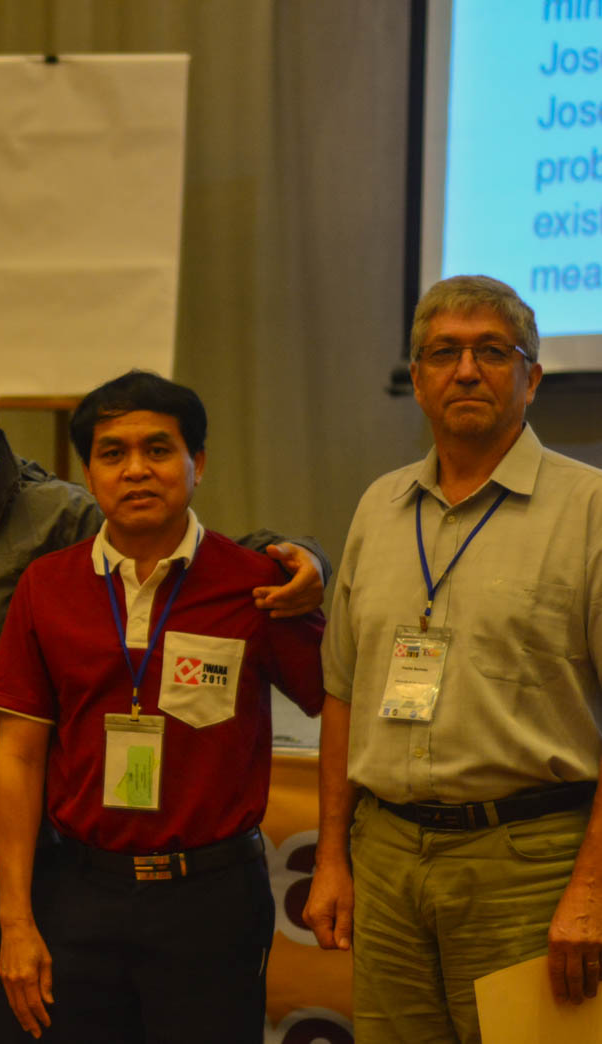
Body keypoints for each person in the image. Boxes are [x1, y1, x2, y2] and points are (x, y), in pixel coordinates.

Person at [0, 341, 328, 1043]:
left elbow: (335, 702)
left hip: (181, 889)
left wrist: (308, 557)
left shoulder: (222, 577)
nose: (136, 470)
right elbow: (10, 746)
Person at [0, 370, 325, 1041]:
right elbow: (17, 758)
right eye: (113, 453)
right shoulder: (46, 586)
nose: (136, 470)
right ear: (89, 473)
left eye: (158, 450)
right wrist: (15, 919)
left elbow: (338, 707)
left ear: (198, 463)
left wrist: (336, 858)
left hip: (212, 897)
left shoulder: (258, 586)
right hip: (80, 891)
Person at [304, 275, 602, 1042]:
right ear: (418, 380)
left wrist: (592, 891)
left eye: (492, 351)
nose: (466, 370)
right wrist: (331, 858)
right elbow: (342, 693)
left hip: (531, 866)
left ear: (532, 379)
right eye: (444, 353)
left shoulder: (590, 509)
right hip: (387, 859)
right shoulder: (379, 507)